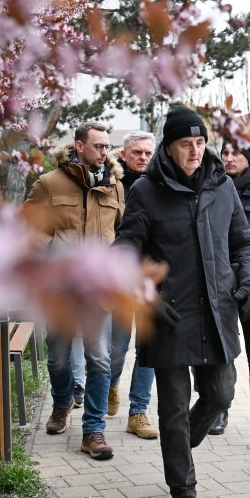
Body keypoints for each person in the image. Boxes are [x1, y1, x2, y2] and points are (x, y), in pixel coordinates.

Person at [114, 105, 250, 498]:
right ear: (168, 147)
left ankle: (179, 446)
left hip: (216, 310)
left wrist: (249, 281)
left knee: (221, 394)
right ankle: (183, 491)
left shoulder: (222, 185)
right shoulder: (147, 191)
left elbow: (243, 242)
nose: (195, 151)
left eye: (199, 142)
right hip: (169, 315)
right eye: (185, 144)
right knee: (173, 409)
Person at [24, 121, 124, 461]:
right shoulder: (48, 184)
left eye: (107, 146)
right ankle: (62, 401)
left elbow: (122, 231)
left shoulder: (114, 186)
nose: (105, 152)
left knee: (99, 359)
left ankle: (93, 430)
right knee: (58, 358)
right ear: (79, 146)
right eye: (99, 146)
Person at [209, 141, 250, 449]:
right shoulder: (213, 189)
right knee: (222, 351)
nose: (228, 158)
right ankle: (219, 409)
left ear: (249, 157)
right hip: (220, 287)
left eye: (235, 153)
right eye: (224, 153)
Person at [109, 130, 159, 440]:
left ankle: (138, 411)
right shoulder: (110, 186)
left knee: (148, 347)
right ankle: (111, 383)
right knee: (117, 346)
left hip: (152, 278)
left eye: (148, 153)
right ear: (124, 154)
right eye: (137, 152)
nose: (143, 157)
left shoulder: (161, 185)